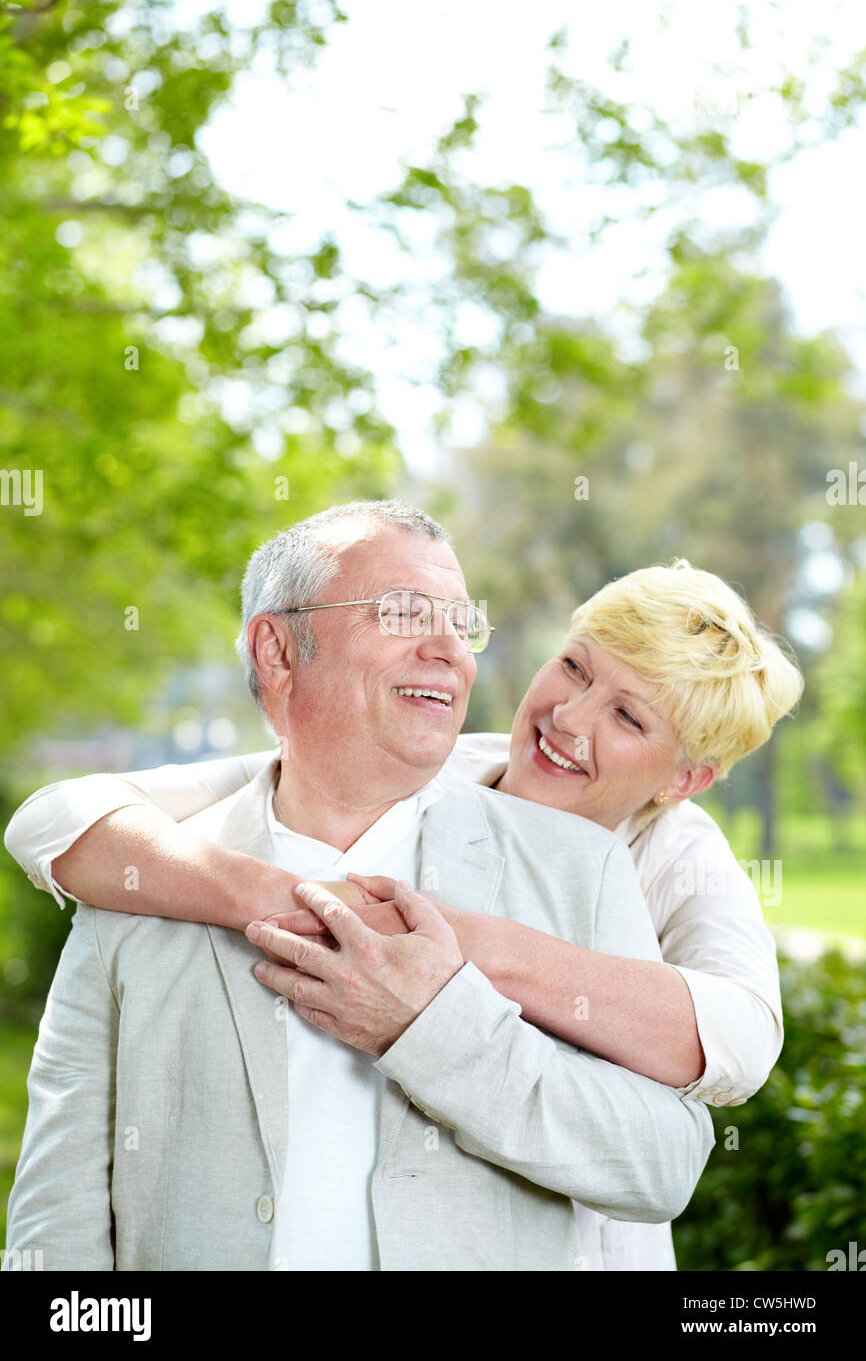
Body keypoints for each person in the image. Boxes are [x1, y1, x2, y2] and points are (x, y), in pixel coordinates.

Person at [2, 500, 714, 1273]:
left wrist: (431, 1028)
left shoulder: (579, 866)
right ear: (277, 650)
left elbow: (662, 1166)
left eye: (460, 621)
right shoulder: (143, 882)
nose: (450, 651)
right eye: (406, 613)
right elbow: (58, 1215)